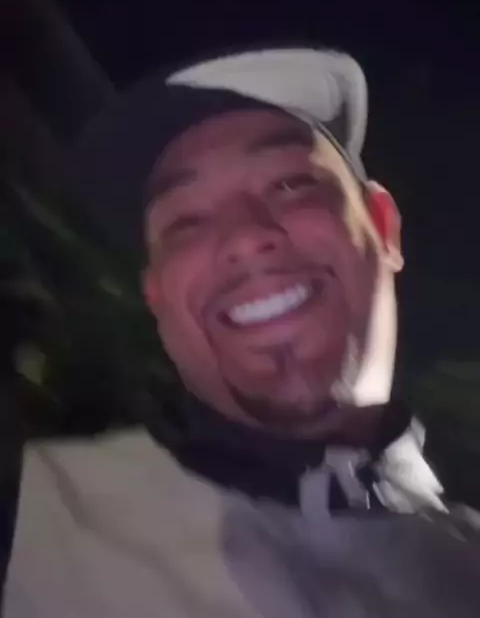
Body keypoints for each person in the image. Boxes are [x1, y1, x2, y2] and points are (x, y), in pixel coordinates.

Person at [3, 46, 479, 616]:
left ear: (383, 226)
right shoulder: (36, 507)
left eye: (290, 185)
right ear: (156, 296)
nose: (245, 238)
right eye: (186, 221)